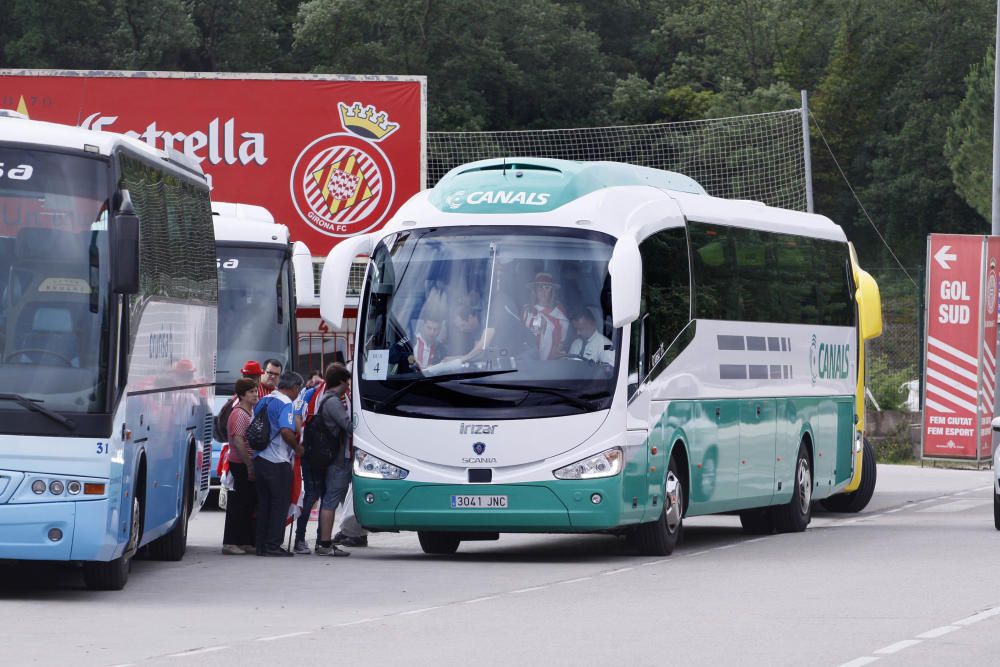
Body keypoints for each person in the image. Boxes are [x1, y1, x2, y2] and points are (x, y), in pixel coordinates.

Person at [298, 364, 353, 556]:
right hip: (337, 459)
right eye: (347, 381)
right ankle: (323, 543)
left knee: (327, 499)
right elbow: (349, 426)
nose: (348, 386)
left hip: (333, 457)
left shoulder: (328, 398)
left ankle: (324, 542)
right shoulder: (332, 402)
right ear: (340, 381)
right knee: (328, 500)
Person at [252, 371, 304, 557]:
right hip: (277, 460)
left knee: (264, 503)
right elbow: (285, 430)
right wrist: (297, 448)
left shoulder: (264, 400)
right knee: (279, 503)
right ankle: (273, 545)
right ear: (295, 388)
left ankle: (260, 545)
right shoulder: (286, 403)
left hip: (259, 458)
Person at [221, 378, 259, 555]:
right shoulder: (240, 414)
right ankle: (231, 542)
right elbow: (238, 441)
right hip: (240, 464)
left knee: (247, 504)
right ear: (242, 395)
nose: (255, 394)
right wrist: (249, 465)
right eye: (251, 392)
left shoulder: (248, 412)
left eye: (255, 391)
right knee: (238, 505)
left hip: (246, 463)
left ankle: (244, 541)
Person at [522, 272, 569, 360]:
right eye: (539, 287)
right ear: (534, 290)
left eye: (547, 288)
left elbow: (563, 340)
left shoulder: (559, 311)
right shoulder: (526, 310)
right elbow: (521, 335)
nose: (543, 291)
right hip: (530, 360)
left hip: (552, 362)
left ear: (552, 291)